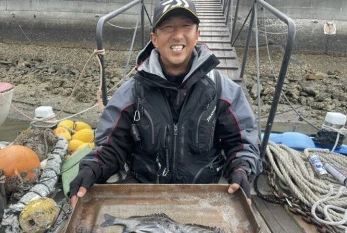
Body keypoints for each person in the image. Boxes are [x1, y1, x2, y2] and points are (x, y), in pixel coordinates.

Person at [69, 0, 262, 207]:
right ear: (154, 38)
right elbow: (111, 147)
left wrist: (241, 169)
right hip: (144, 194)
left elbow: (242, 142)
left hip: (203, 196)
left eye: (186, 26)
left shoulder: (223, 91)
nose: (177, 35)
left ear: (198, 34)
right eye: (167, 27)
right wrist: (92, 168)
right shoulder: (131, 93)